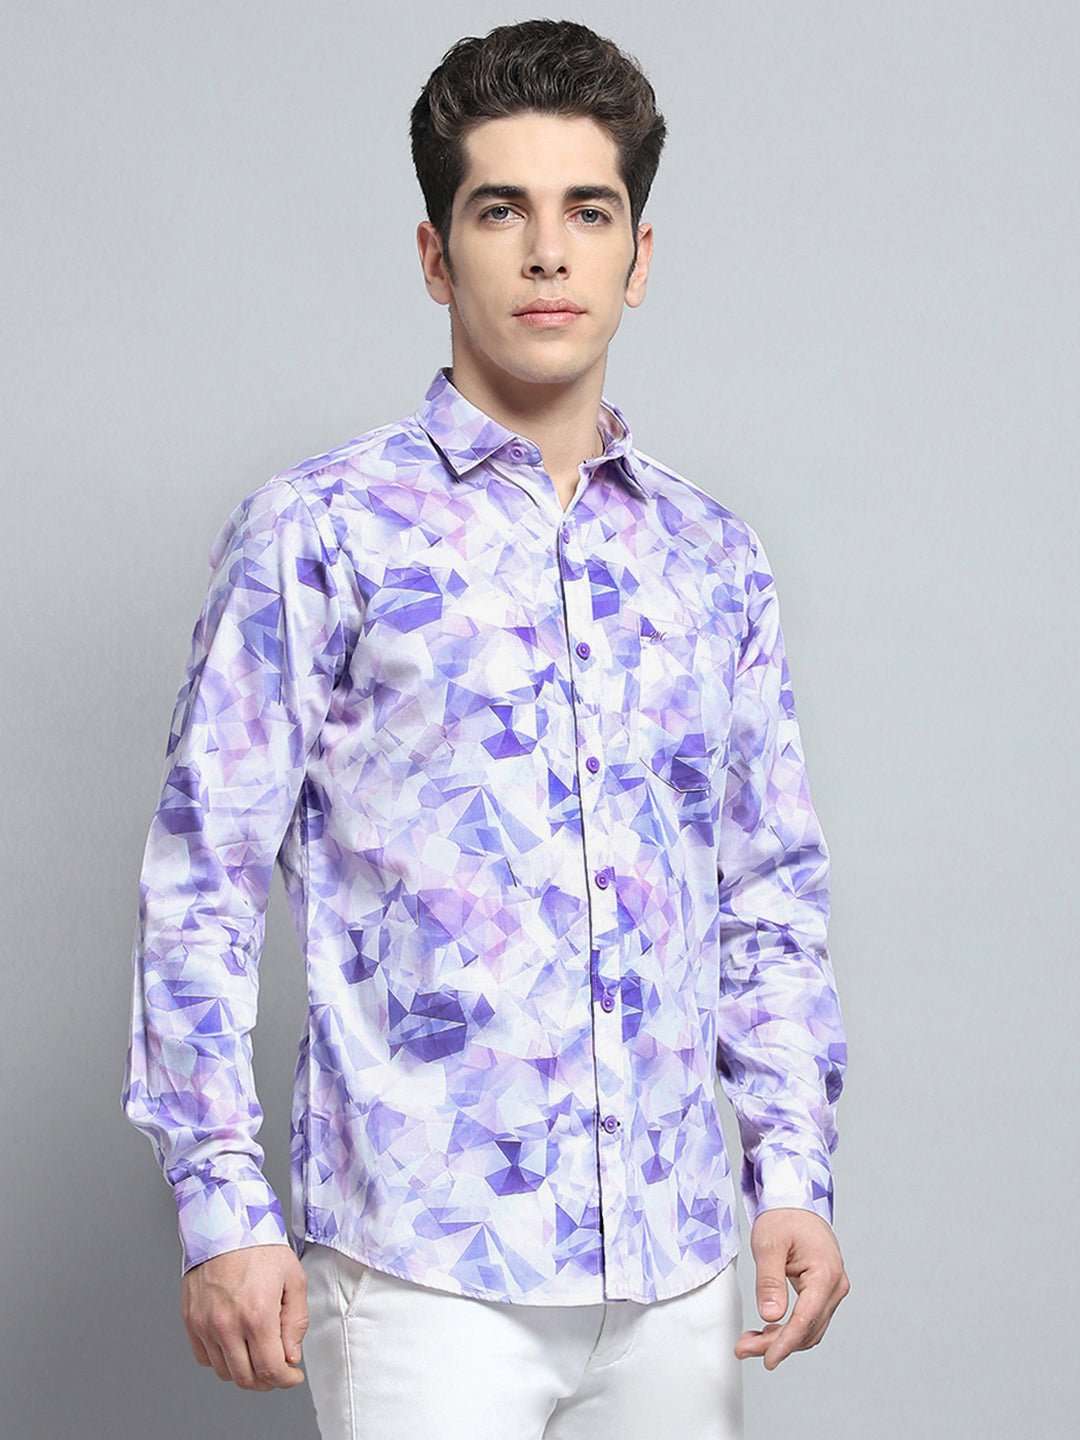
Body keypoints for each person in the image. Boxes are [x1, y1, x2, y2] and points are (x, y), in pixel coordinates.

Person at [123, 19, 848, 1440]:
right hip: (420, 1275)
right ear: (435, 252)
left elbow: (767, 892)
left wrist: (794, 1173)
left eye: (591, 212)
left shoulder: (714, 559)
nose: (549, 253)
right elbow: (201, 886)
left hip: (680, 1270)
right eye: (501, 209)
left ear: (640, 255)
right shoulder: (319, 533)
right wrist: (223, 1205)